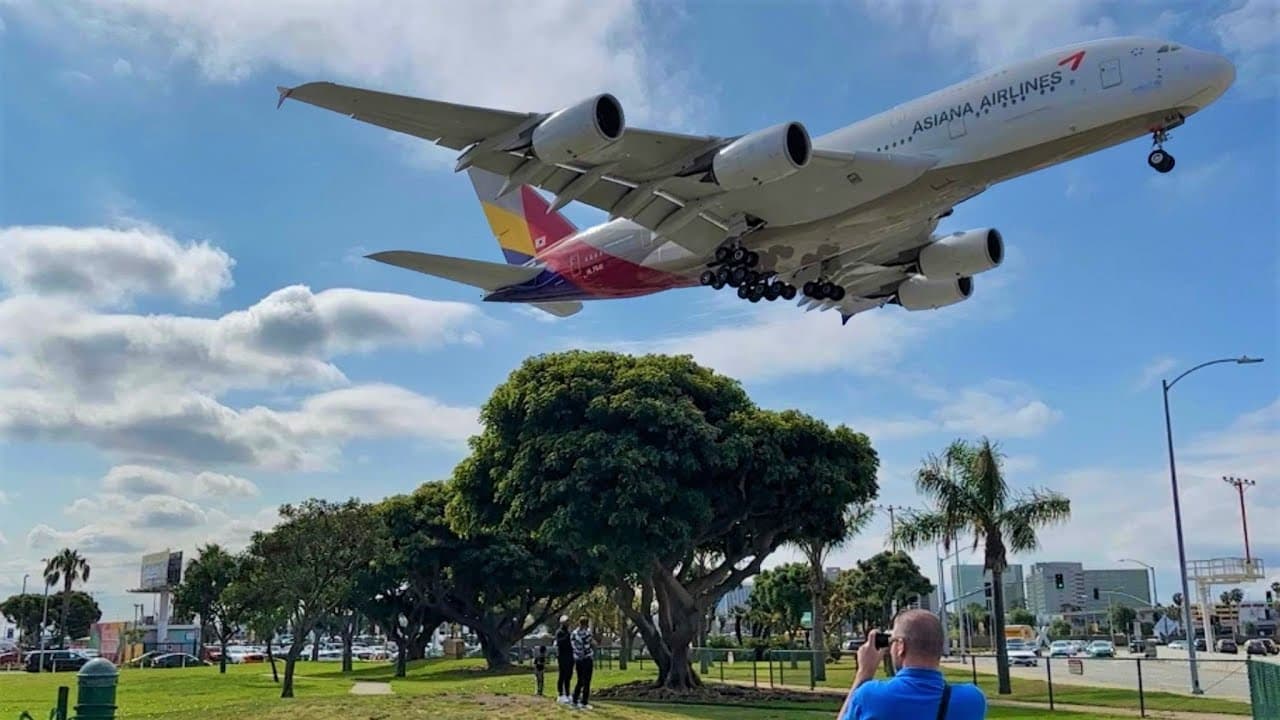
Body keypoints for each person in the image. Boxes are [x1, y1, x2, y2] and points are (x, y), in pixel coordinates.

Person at [838, 609, 986, 720]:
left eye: (893, 641)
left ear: (901, 646)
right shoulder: (972, 699)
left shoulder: (869, 695)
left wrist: (863, 673)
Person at [571, 616, 595, 710]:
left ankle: (574, 699)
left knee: (580, 680)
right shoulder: (587, 633)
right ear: (586, 624)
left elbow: (574, 646)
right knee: (587, 681)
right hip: (586, 659)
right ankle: (584, 702)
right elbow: (590, 644)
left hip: (577, 659)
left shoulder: (574, 633)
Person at [555, 615, 575, 704]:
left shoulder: (569, 632)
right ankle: (560, 695)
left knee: (568, 676)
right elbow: (559, 643)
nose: (568, 623)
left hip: (570, 656)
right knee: (562, 675)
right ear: (562, 623)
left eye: (568, 621)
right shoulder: (559, 632)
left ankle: (567, 693)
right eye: (566, 622)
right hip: (562, 657)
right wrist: (567, 637)